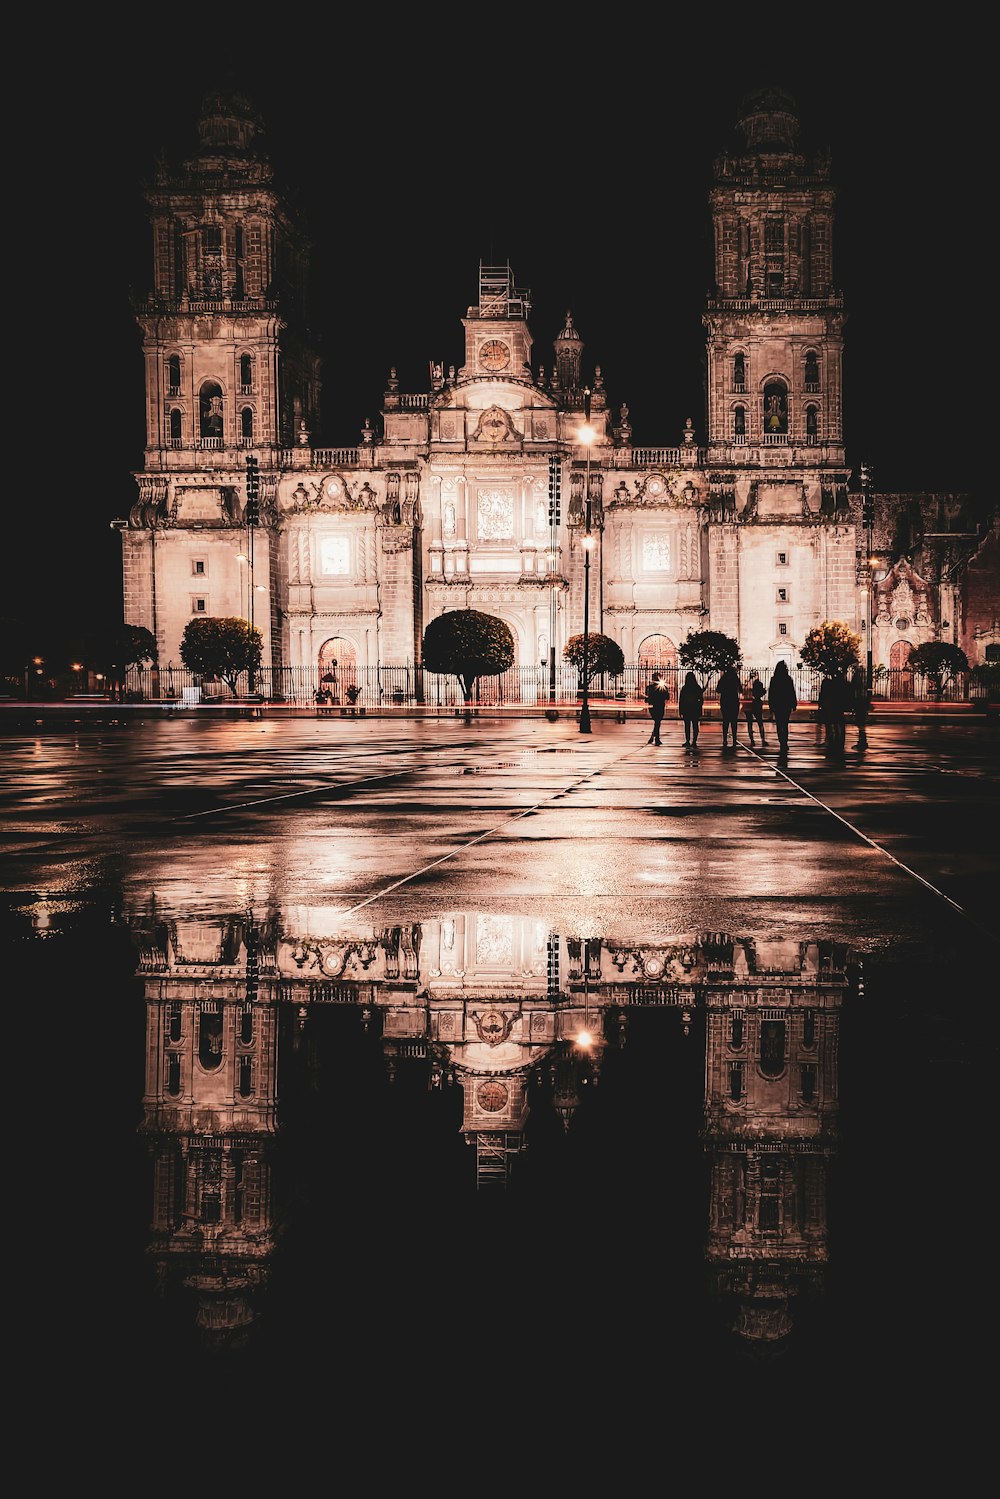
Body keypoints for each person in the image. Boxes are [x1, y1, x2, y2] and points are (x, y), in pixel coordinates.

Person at [767, 660, 798, 756]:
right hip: (786, 704)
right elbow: (792, 692)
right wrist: (794, 703)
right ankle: (784, 742)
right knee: (785, 724)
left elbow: (771, 693)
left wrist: (771, 705)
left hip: (777, 704)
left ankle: (782, 741)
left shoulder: (774, 679)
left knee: (779, 724)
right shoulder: (788, 679)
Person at [717, 666, 742, 748]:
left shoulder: (723, 678)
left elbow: (718, 689)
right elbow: (740, 690)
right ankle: (734, 739)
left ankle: (725, 739)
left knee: (725, 721)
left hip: (725, 701)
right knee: (734, 721)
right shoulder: (736, 678)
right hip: (734, 701)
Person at [678, 671, 704, 748]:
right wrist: (699, 706)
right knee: (695, 725)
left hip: (687, 709)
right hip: (694, 708)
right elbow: (701, 699)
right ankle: (694, 741)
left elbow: (681, 700)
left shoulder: (685, 688)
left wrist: (681, 709)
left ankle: (688, 740)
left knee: (687, 725)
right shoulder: (697, 687)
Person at [644, 673, 669, 745]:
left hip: (652, 706)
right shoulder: (662, 687)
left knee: (657, 721)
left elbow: (646, 698)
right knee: (658, 722)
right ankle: (656, 738)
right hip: (660, 705)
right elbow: (667, 697)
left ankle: (653, 737)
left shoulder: (649, 687)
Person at [743, 670, 766, 745]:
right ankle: (762, 739)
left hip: (748, 704)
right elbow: (761, 693)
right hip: (756, 703)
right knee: (760, 722)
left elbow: (743, 692)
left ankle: (752, 740)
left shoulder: (747, 684)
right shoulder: (758, 683)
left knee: (750, 723)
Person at [850, 665, 871, 749]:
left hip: (859, 700)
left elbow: (855, 686)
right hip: (863, 700)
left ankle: (862, 742)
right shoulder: (863, 673)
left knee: (860, 721)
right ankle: (862, 741)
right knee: (861, 721)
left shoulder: (858, 673)